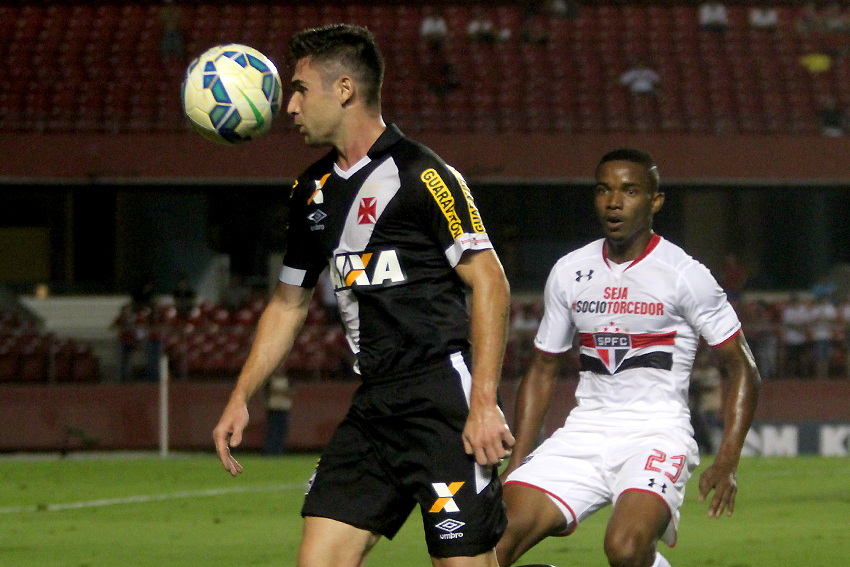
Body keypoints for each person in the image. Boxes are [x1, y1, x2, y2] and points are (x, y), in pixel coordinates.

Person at [212, 24, 514, 567]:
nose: (290, 107)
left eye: (300, 89)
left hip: (442, 402)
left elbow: (490, 282)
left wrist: (484, 404)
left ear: (345, 89)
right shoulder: (311, 191)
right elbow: (288, 303)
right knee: (318, 560)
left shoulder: (425, 174)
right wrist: (241, 394)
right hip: (375, 406)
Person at [495, 148, 760, 567]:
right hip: (584, 432)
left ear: (655, 201)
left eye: (630, 191)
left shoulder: (684, 274)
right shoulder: (569, 271)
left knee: (624, 548)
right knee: (492, 542)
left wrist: (727, 460)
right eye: (604, 190)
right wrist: (517, 463)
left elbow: (741, 366)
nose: (614, 202)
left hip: (657, 434)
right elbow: (543, 369)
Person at [262, 373, 293, 455]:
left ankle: (279, 451)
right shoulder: (271, 380)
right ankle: (269, 451)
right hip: (273, 409)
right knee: (272, 432)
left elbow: (291, 392)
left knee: (282, 432)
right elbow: (267, 392)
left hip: (284, 409)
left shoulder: (287, 380)